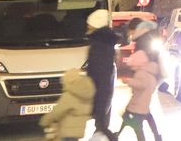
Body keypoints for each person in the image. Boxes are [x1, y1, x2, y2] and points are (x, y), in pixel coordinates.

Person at [118, 19, 162, 141]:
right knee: (144, 108)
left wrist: (136, 73)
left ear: (135, 29)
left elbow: (141, 58)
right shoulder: (147, 36)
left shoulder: (143, 39)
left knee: (141, 108)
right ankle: (156, 135)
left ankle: (144, 136)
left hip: (146, 75)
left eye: (131, 31)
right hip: (151, 75)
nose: (130, 34)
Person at [85, 9, 121, 140]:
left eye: (89, 24)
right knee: (101, 125)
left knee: (101, 125)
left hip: (100, 90)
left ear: (95, 25)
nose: (87, 26)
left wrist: (92, 89)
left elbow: (98, 71)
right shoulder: (103, 41)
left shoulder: (99, 44)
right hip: (102, 89)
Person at [39, 67, 95, 141]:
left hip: (67, 132)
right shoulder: (87, 94)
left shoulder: (70, 95)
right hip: (78, 131)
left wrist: (44, 121)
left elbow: (57, 111)